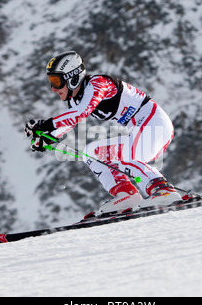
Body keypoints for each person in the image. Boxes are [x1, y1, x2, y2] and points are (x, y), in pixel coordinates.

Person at [24, 50, 185, 218]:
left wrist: (45, 125)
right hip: (141, 129)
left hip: (155, 124)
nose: (53, 89)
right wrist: (46, 137)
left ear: (72, 77)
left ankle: (164, 191)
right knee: (92, 153)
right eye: (50, 82)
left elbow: (81, 113)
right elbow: (70, 120)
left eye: (56, 81)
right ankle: (127, 195)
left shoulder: (98, 84)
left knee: (127, 157)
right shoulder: (75, 98)